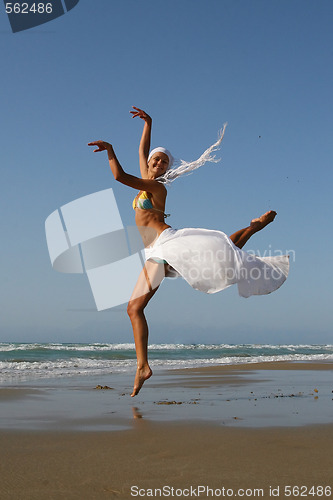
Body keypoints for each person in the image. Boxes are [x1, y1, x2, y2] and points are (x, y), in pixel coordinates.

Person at [88, 107, 289, 397]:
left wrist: (109, 150)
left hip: (164, 245)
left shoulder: (157, 187)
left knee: (134, 307)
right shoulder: (148, 177)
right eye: (156, 159)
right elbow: (143, 149)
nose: (158, 162)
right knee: (216, 253)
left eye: (164, 161)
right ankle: (252, 228)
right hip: (154, 250)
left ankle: (143, 366)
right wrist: (149, 123)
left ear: (166, 170)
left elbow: (119, 176)